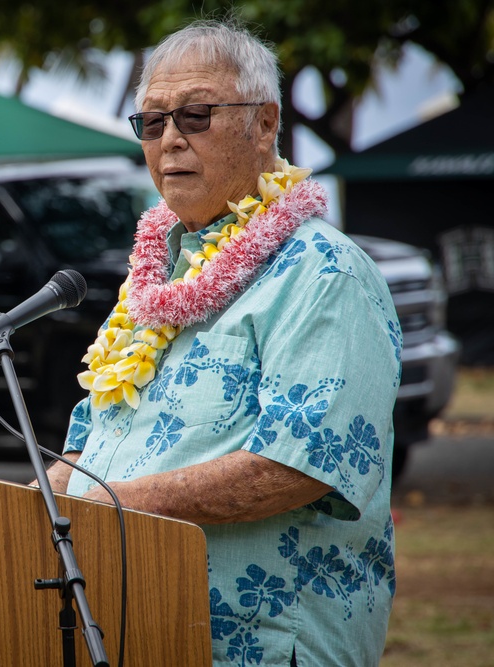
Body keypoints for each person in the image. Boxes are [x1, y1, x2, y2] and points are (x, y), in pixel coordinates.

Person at [39, 17, 402, 667]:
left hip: (262, 642)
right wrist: (26, 509)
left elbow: (298, 465)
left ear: (265, 124)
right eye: (152, 122)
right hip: (132, 628)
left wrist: (118, 506)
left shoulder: (322, 271)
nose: (171, 139)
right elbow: (86, 447)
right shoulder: (151, 276)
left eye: (196, 114)